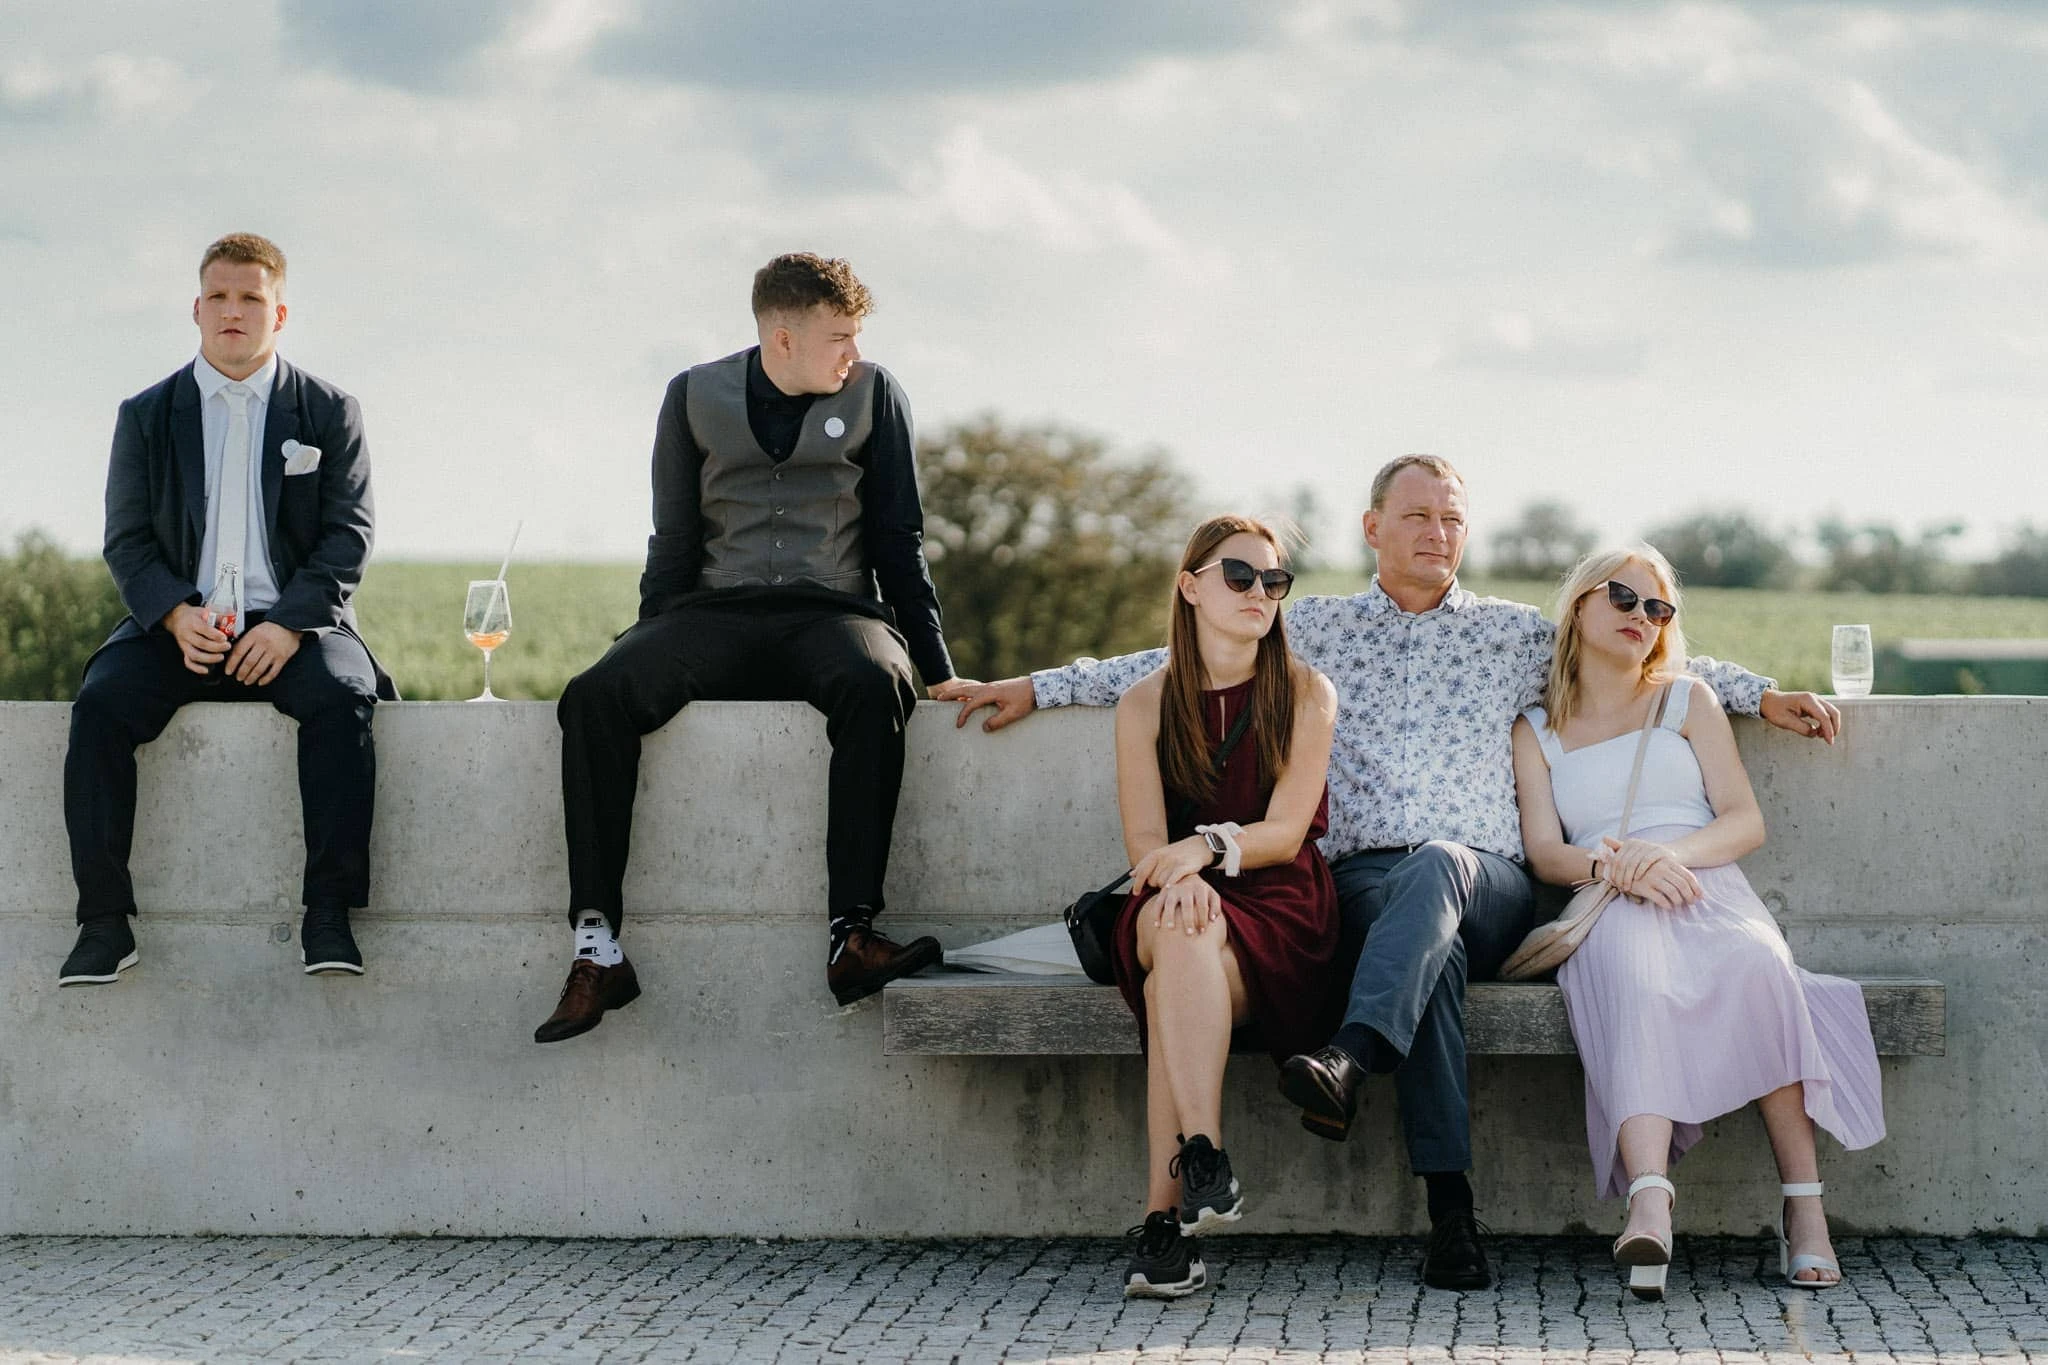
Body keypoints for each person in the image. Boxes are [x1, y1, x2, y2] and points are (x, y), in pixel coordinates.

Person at [945, 454, 1842, 1289]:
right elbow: (1179, 660)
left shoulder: (1512, 635)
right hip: (1365, 887)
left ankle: (1353, 1054)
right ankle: (1451, 1213)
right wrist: (1039, 686)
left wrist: (1757, 693)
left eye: (1453, 518)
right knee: (1430, 950)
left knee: (1443, 872)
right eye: (1417, 515)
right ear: (1372, 527)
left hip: (1489, 878)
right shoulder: (1319, 628)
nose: (1437, 533)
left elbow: (1636, 656)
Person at [537, 253, 979, 1043]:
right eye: (839, 336)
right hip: (716, 612)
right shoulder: (692, 396)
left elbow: (898, 539)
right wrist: (644, 641)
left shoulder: (877, 393)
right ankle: (598, 946)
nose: (852, 352)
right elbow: (672, 539)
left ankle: (852, 933)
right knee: (595, 692)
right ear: (782, 338)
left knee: (877, 680)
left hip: (833, 611)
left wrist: (937, 668)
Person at [1510, 546, 1883, 1299]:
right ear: (1580, 603)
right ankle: (1650, 1201)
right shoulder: (1536, 727)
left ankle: (1804, 1210)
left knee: (1761, 967)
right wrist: (1617, 868)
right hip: (1608, 897)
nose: (1640, 618)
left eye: (1658, 608)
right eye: (1622, 598)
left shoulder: (1688, 698)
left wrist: (1663, 856)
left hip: (1705, 881)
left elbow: (1745, 820)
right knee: (1638, 979)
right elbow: (1546, 852)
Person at [60, 233, 395, 986]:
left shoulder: (331, 410)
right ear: (196, 307)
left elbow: (349, 535)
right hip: (179, 626)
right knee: (101, 703)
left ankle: (329, 914)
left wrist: (286, 624)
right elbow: (128, 538)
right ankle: (105, 923)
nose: (233, 311)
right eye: (219, 296)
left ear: (280, 311)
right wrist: (175, 614)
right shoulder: (146, 414)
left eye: (251, 297)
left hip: (293, 625)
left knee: (345, 700)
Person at [1113, 516, 1341, 1300]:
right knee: (1181, 922)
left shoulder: (1307, 691)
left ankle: (1164, 1220)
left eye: (1274, 582)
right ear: (1191, 585)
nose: (1259, 593)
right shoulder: (1144, 704)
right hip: (1167, 892)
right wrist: (1182, 873)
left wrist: (1206, 851)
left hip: (1277, 904)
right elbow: (1145, 844)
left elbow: (1283, 833)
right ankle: (1206, 1153)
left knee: (1170, 969)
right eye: (1239, 576)